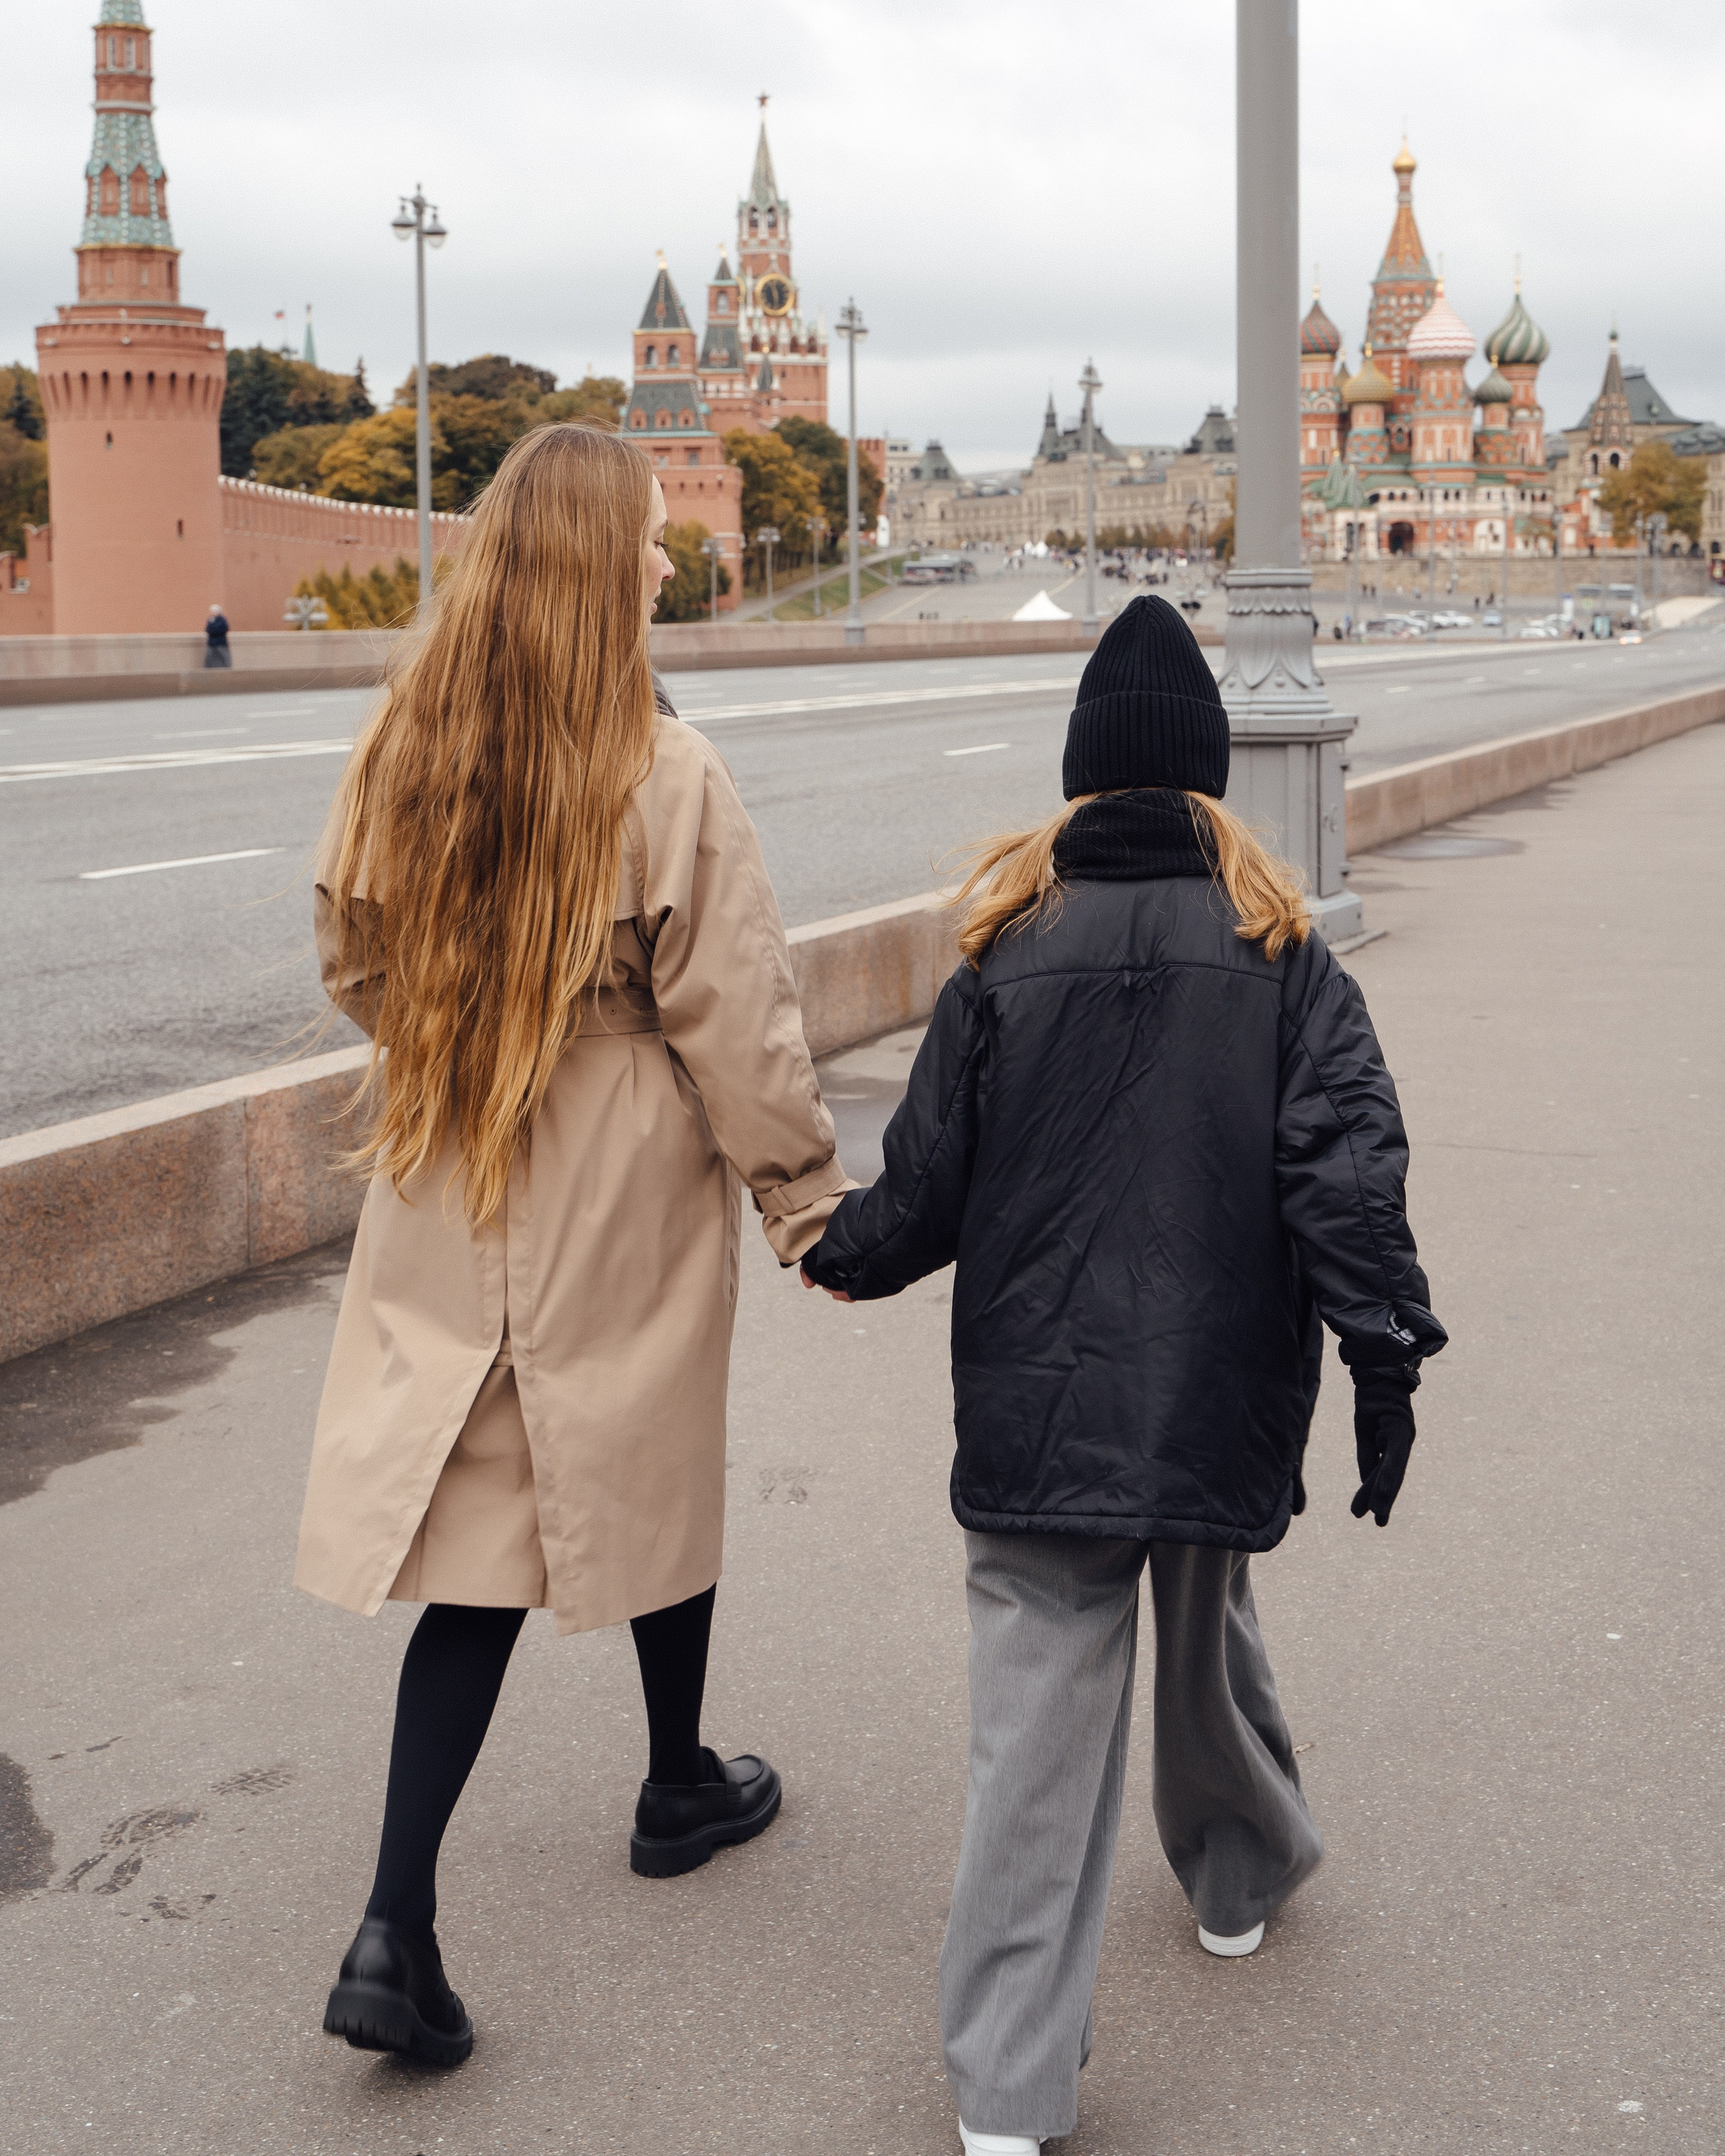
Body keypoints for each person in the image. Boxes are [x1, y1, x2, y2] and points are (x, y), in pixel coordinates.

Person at [801, 594, 1445, 2154]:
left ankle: (1011, 2091)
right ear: (1209, 784)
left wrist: (838, 1248)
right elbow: (1342, 1174)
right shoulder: (1285, 955)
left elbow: (922, 1187)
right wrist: (1380, 1361)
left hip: (1037, 1395)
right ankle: (1234, 1876)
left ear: (1079, 782)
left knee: (1033, 1721)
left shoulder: (999, 958)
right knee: (1201, 1604)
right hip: (1216, 1386)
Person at [297, 424, 849, 2067]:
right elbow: (734, 1010)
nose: (670, 560)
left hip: (457, 1144)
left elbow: (347, 945)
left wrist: (453, 1038)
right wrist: (804, 1199)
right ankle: (665, 1785)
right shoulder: (661, 767)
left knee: (480, 1528)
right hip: (617, 1148)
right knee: (647, 1438)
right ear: (603, 565)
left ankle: (407, 1917)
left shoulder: (405, 739)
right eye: (650, 540)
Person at [203, 602, 230, 667]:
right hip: (212, 643)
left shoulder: (222, 620)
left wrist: (214, 629)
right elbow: (208, 629)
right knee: (210, 658)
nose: (213, 613)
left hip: (220, 643)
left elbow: (223, 629)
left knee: (224, 657)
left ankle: (227, 668)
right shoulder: (211, 620)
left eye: (214, 611)